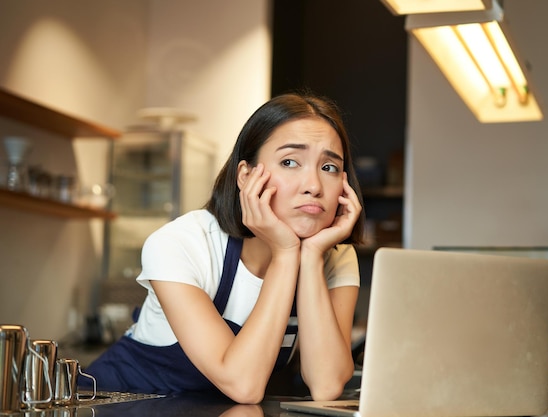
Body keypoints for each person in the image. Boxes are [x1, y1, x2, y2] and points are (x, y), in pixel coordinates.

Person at [83, 92, 365, 404]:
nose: (313, 185)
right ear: (246, 176)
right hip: (117, 405)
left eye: (329, 167)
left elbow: (327, 385)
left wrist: (310, 258)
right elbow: (243, 385)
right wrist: (286, 255)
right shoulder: (182, 244)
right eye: (289, 162)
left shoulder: (335, 256)